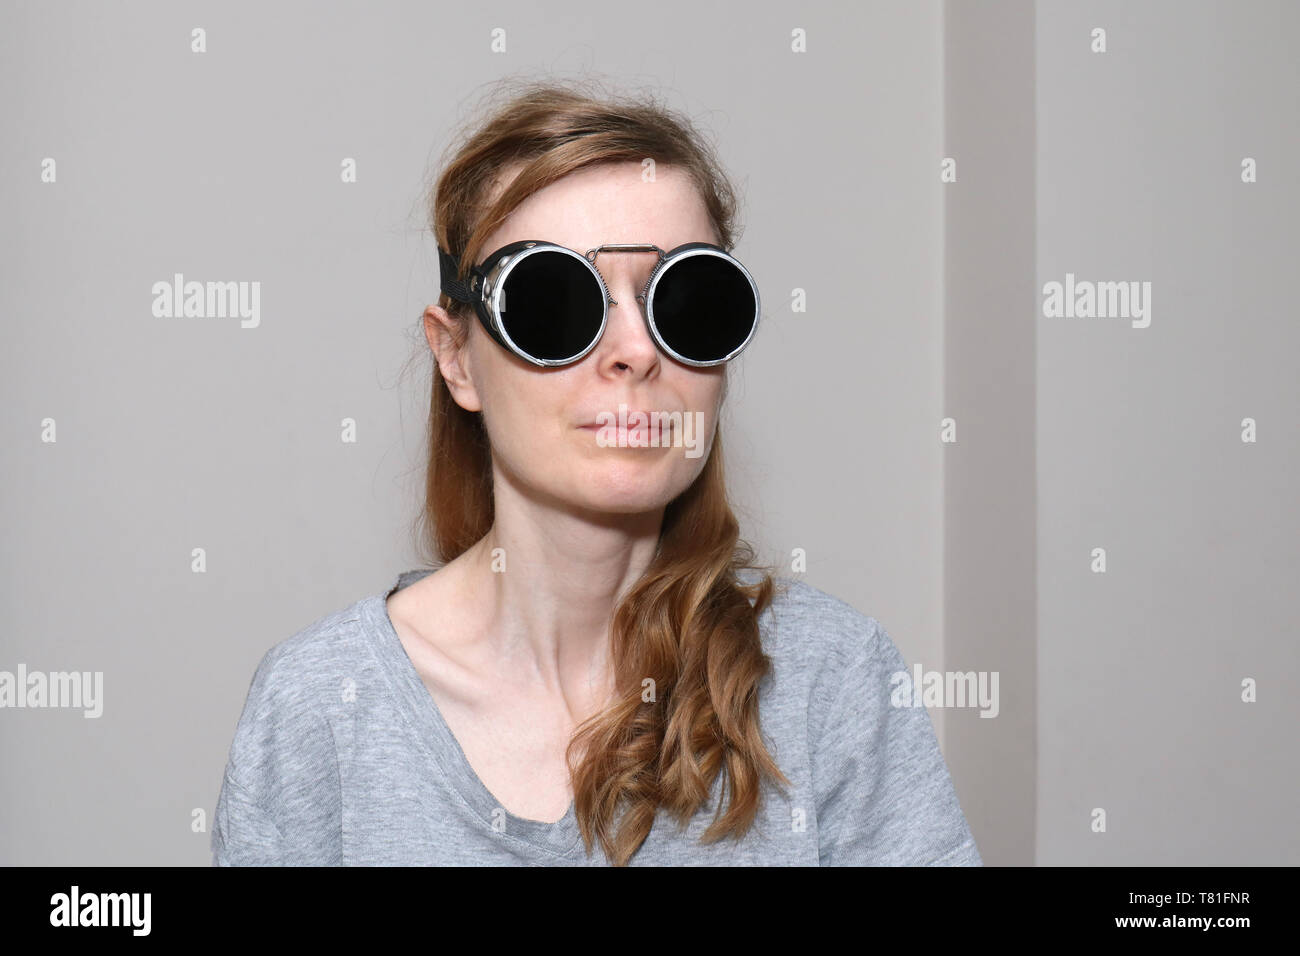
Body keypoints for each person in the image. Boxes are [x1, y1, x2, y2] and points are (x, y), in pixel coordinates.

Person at [211, 78, 982, 866]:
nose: (637, 352)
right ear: (456, 359)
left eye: (684, 301)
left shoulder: (833, 681)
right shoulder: (320, 707)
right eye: (553, 302)